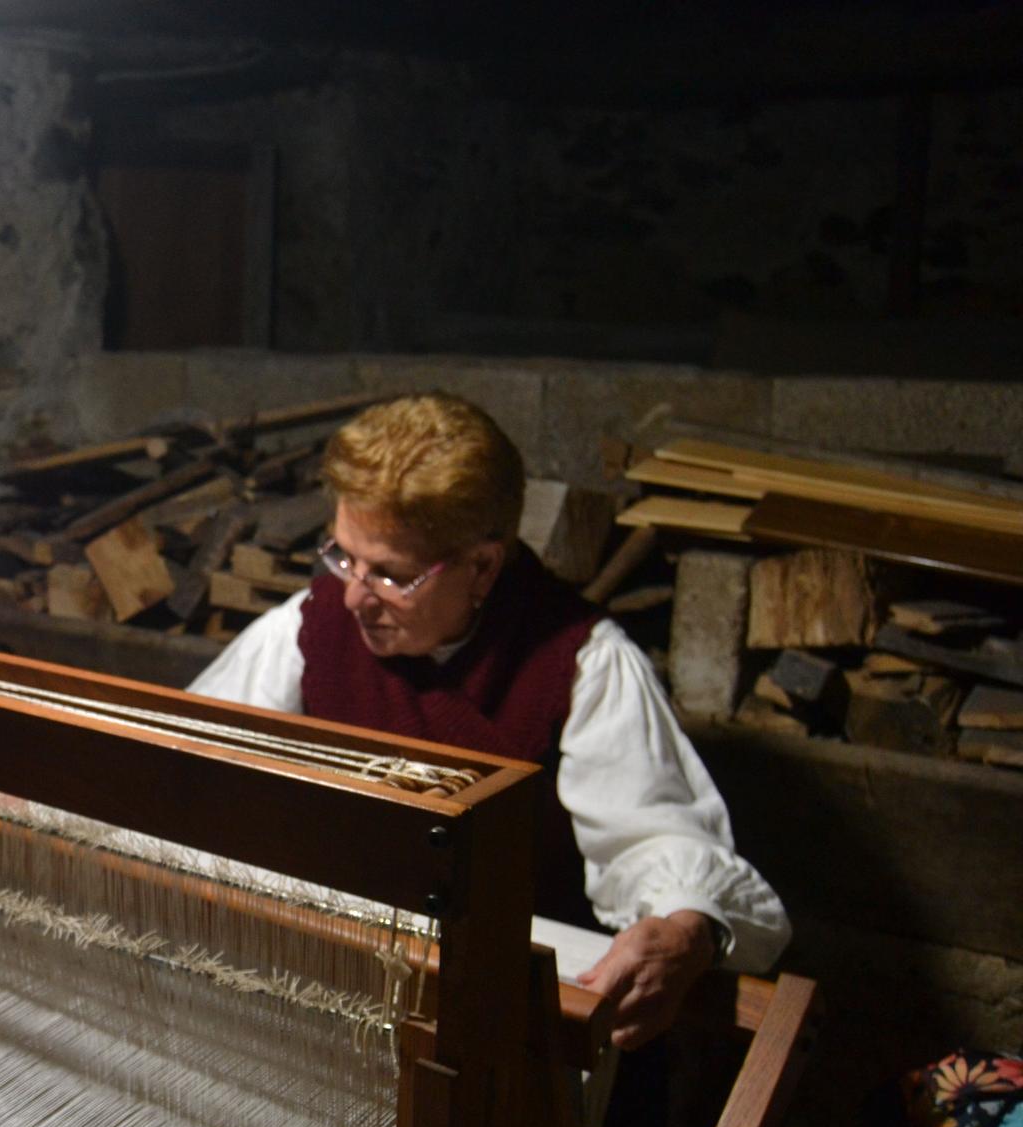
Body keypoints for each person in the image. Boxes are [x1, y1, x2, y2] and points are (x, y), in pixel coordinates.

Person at [190, 393, 791, 1050]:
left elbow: (654, 841)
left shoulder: (585, 665)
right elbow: (190, 753)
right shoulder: (313, 626)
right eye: (343, 555)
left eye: (392, 575)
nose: (355, 595)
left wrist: (687, 926)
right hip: (330, 992)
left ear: (482, 565)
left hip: (506, 1025)